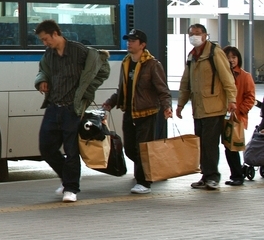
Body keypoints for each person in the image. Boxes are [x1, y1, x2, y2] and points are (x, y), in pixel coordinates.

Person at [33, 20, 110, 203]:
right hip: (53, 106)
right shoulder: (49, 54)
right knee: (46, 147)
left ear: (55, 34)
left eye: (46, 39)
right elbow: (43, 70)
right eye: (42, 40)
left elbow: (103, 68)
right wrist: (42, 80)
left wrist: (87, 91)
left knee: (71, 150)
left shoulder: (79, 51)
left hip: (72, 109)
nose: (45, 43)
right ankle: (67, 177)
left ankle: (71, 188)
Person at [101, 29, 173, 194]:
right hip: (129, 112)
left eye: (133, 41)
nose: (129, 43)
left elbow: (163, 89)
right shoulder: (126, 62)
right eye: (128, 40)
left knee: (143, 149)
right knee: (129, 149)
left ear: (142, 45)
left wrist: (167, 107)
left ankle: (144, 182)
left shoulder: (152, 64)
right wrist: (110, 103)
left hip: (146, 113)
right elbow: (122, 89)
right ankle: (150, 170)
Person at [175, 24, 236, 190]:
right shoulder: (192, 56)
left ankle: (212, 176)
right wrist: (180, 103)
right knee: (201, 144)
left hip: (214, 106)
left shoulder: (214, 52)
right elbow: (186, 81)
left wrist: (232, 99)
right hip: (199, 108)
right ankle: (206, 175)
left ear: (205, 35)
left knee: (210, 144)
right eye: (191, 34)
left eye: (197, 33)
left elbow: (227, 77)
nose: (194, 37)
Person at [222, 45, 255, 186]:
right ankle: (236, 173)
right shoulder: (220, 75)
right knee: (227, 147)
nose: (231, 60)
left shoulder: (245, 76)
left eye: (234, 57)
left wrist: (240, 111)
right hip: (221, 116)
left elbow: (250, 97)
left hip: (237, 117)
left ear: (238, 59)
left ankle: (237, 175)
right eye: (228, 57)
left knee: (233, 146)